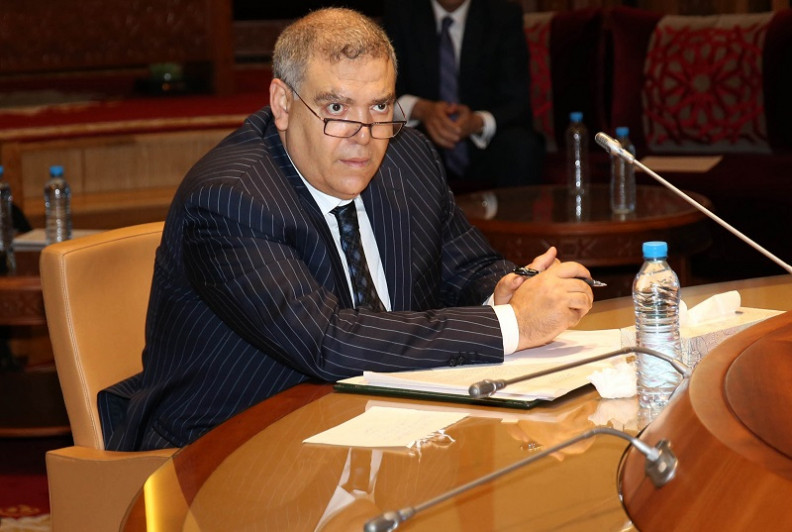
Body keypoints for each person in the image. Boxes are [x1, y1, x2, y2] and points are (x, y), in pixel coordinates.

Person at [98, 7, 592, 451]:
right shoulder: (230, 199)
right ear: (283, 104)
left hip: (379, 429)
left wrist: (509, 288)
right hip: (222, 451)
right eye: (337, 109)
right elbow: (328, 343)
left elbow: (469, 266)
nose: (364, 137)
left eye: (379, 107)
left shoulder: (407, 157)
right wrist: (513, 324)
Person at [383, 0, 545, 192]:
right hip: (423, 137)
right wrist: (421, 109)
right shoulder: (400, 13)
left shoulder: (503, 14)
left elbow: (517, 101)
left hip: (486, 141)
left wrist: (477, 122)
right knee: (393, 148)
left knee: (522, 147)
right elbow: (380, 91)